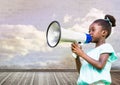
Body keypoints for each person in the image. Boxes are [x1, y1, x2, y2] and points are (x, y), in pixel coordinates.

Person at [71, 14, 118, 85]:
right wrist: (77, 56)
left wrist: (82, 54)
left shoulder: (106, 47)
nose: (90, 33)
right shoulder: (90, 53)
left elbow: (100, 65)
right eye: (89, 31)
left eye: (93, 30)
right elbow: (81, 72)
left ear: (104, 33)